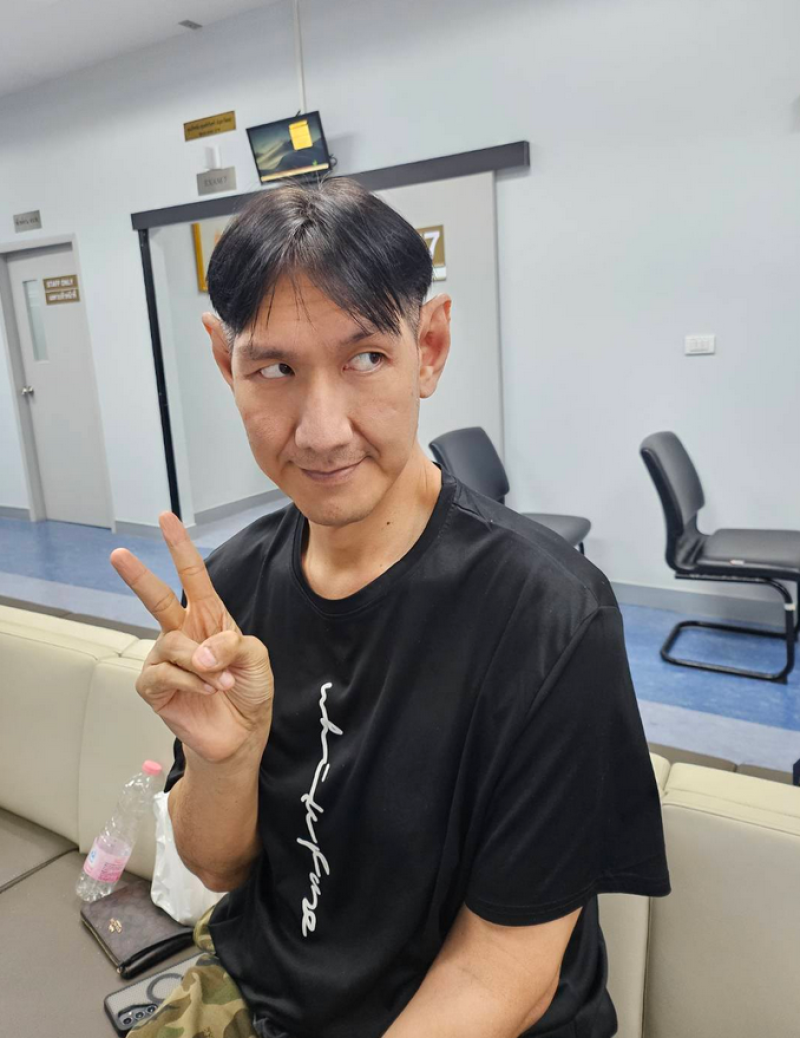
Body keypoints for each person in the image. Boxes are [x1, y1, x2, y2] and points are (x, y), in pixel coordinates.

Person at [112, 176, 670, 1038]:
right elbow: (216, 868)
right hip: (261, 999)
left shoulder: (549, 616)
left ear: (430, 346)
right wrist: (226, 761)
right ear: (227, 363)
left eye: (366, 357)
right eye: (275, 369)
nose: (323, 430)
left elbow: (502, 973)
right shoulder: (230, 588)